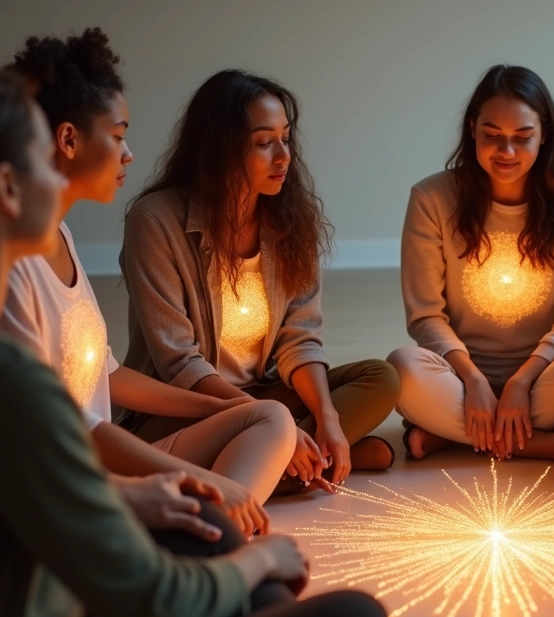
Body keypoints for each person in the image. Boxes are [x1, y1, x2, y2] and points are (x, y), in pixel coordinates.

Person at [0, 59, 390, 617]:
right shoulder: (9, 386)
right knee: (350, 616)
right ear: (7, 189)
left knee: (214, 517)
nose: (59, 180)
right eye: (42, 161)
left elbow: (57, 461)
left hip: (82, 560)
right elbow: (156, 603)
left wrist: (141, 493)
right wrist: (259, 557)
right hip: (85, 614)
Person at [1, 29, 294, 537]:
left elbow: (106, 376)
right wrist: (202, 479)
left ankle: (211, 526)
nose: (129, 153)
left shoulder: (62, 237)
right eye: (117, 136)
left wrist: (225, 407)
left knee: (271, 416)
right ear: (69, 140)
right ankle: (210, 530)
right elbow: (69, 432)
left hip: (109, 461)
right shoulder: (14, 266)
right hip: (80, 482)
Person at [123, 69, 400, 493]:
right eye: (263, 142)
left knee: (381, 378)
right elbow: (178, 362)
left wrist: (326, 417)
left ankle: (296, 456)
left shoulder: (289, 221)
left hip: (264, 392)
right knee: (145, 454)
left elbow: (299, 339)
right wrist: (274, 425)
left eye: (286, 138)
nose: (284, 156)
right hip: (186, 407)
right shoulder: (155, 222)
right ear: (219, 149)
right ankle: (305, 462)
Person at [389, 64, 554, 463]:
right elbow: (425, 315)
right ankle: (545, 443)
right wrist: (473, 380)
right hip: (461, 377)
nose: (507, 152)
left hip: (544, 375)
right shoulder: (432, 198)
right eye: (492, 136)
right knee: (401, 368)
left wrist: (521, 381)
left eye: (523, 137)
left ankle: (460, 435)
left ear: (545, 134)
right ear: (472, 128)